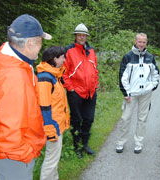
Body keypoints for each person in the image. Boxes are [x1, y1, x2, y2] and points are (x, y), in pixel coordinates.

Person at [0, 14, 51, 180]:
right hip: (14, 157)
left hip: (11, 151)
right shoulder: (12, 76)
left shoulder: (13, 62)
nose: (41, 47)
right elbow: (9, 131)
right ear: (30, 43)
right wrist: (28, 153)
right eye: (40, 41)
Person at [116, 33, 160, 154]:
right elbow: (122, 76)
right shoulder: (128, 57)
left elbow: (155, 74)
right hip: (131, 94)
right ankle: (121, 142)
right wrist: (125, 92)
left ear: (146, 43)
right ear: (135, 41)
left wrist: (152, 86)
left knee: (142, 119)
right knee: (125, 118)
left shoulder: (150, 57)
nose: (141, 44)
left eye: (144, 42)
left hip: (145, 94)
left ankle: (138, 142)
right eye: (139, 41)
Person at [62, 23, 99, 158]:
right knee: (77, 120)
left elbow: (95, 70)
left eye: (84, 35)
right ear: (75, 36)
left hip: (90, 92)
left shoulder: (92, 51)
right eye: (79, 35)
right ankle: (76, 146)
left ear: (86, 36)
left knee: (88, 119)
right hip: (76, 92)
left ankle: (85, 144)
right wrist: (71, 89)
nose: (82, 37)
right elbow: (63, 72)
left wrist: (95, 85)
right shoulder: (68, 50)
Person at [36, 46, 70, 180]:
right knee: (51, 161)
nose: (64, 60)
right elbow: (44, 106)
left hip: (57, 124)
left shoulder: (54, 75)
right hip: (52, 126)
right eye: (62, 57)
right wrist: (50, 129)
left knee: (54, 159)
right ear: (54, 59)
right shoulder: (45, 78)